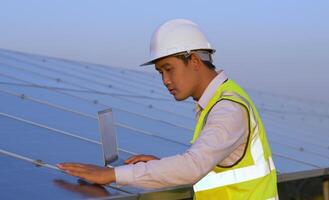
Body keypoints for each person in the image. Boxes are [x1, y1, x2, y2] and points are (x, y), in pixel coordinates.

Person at [58, 19, 278, 199]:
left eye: (168, 69)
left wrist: (113, 174)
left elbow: (193, 166)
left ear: (193, 61)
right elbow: (213, 168)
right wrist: (161, 167)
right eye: (160, 72)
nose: (165, 80)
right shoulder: (218, 100)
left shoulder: (228, 108)